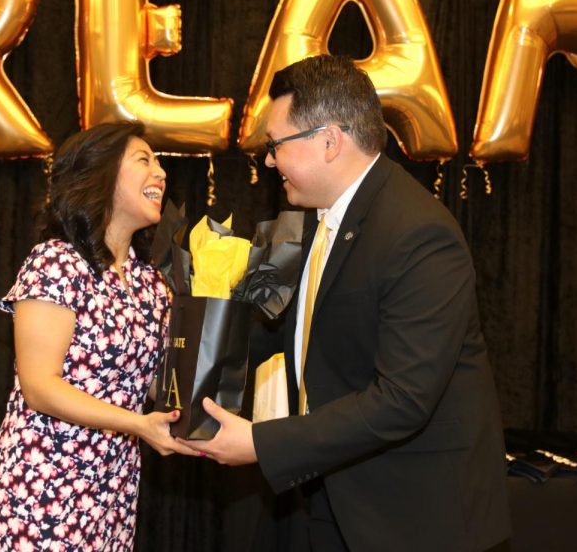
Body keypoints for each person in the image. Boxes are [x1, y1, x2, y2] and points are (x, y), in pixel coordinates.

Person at [182, 55, 511, 551]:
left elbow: (402, 400)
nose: (269, 161)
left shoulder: (418, 232)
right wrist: (187, 357)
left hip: (413, 519)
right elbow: (285, 327)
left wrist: (259, 444)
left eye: (276, 145)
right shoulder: (319, 216)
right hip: (332, 499)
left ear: (329, 141)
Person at [0, 122, 190, 551]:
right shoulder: (56, 262)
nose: (161, 173)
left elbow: (152, 387)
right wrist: (139, 425)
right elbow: (39, 387)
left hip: (113, 486)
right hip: (44, 481)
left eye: (159, 162)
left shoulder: (151, 283)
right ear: (102, 172)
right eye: (144, 160)